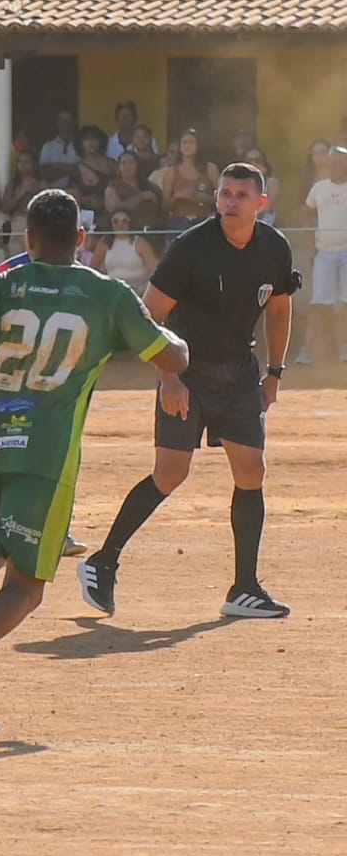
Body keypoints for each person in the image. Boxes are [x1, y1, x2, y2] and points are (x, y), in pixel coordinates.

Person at [0, 188, 189, 715]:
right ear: (82, 240)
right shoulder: (106, 294)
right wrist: (181, 343)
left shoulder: (3, 283)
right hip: (46, 456)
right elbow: (169, 355)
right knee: (28, 586)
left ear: (27, 239)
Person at [77, 162, 297, 622]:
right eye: (225, 193)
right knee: (171, 473)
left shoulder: (275, 248)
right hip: (188, 370)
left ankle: (244, 588)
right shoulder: (191, 248)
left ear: (261, 203)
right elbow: (148, 316)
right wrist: (169, 377)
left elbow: (278, 310)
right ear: (216, 198)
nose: (231, 202)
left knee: (252, 470)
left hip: (238, 371)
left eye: (241, 195)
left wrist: (274, 373)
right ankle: (103, 561)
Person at [295, 146, 347, 366]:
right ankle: (306, 351)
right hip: (324, 253)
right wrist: (311, 241)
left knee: (344, 303)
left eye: (342, 161)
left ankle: (344, 348)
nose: (338, 165)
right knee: (318, 303)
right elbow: (305, 214)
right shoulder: (319, 188)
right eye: (334, 161)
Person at [158, 129, 220, 238]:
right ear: (180, 147)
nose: (188, 146)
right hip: (178, 225)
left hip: (205, 222)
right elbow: (165, 206)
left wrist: (201, 197)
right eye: (184, 142)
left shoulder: (210, 169)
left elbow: (222, 200)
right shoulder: (171, 172)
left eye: (191, 142)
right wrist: (179, 195)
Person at [95, 207, 158, 296]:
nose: (120, 225)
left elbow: (155, 270)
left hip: (138, 293)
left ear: (130, 223)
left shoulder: (140, 243)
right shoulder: (104, 242)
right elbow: (93, 268)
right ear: (111, 224)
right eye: (115, 221)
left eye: (124, 221)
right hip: (113, 292)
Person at [106, 149, 164, 230]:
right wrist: (140, 197)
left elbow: (164, 206)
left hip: (155, 229)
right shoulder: (113, 188)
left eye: (130, 162)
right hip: (129, 232)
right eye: (123, 163)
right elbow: (114, 210)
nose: (127, 166)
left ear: (138, 165)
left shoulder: (152, 186)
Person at [1, 147, 43, 255]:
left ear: (34, 164)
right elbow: (5, 207)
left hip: (37, 224)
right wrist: (21, 193)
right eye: (20, 162)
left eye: (27, 162)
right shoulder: (13, 185)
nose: (23, 165)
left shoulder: (42, 184)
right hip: (17, 224)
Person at [39, 110, 81, 186]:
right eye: (62, 120)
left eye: (69, 120)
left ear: (74, 123)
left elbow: (83, 170)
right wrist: (72, 168)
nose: (65, 124)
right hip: (53, 193)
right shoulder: (48, 146)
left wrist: (58, 166)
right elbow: (44, 173)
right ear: (57, 123)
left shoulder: (81, 145)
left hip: (77, 192)